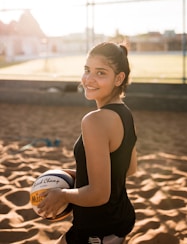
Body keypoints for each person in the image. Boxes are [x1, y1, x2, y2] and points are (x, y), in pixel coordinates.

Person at [38, 42, 137, 244]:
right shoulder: (126, 113)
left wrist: (63, 194)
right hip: (121, 218)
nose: (89, 79)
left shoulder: (94, 120)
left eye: (101, 73)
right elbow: (129, 168)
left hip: (96, 227)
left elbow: (99, 194)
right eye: (87, 70)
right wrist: (79, 175)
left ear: (119, 78)